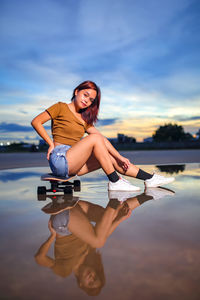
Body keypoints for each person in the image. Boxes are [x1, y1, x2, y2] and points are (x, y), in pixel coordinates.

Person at [31, 80, 174, 191]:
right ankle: (115, 181)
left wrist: (120, 157)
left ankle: (149, 179)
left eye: (91, 100)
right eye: (85, 95)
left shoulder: (84, 120)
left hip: (75, 162)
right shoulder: (60, 107)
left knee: (108, 156)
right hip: (60, 158)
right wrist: (50, 144)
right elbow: (36, 122)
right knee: (94, 138)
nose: (87, 100)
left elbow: (102, 140)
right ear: (76, 92)